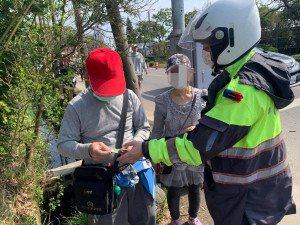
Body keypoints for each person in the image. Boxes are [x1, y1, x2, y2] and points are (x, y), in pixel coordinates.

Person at [118, 1, 296, 225]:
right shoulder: (251, 72)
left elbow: (196, 148)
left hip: (248, 201)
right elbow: (228, 131)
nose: (204, 51)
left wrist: (145, 149)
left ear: (229, 39)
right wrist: (204, 132)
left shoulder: (242, 90)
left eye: (208, 44)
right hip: (261, 190)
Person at [57, 48, 156, 225]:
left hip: (137, 173)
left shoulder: (129, 96)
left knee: (146, 218)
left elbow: (143, 127)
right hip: (101, 183)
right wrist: (88, 150)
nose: (110, 93)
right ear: (88, 76)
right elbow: (63, 144)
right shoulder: (77, 107)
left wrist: (138, 142)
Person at [152, 54, 207, 225]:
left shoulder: (203, 97)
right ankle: (175, 220)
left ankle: (193, 217)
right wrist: (154, 157)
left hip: (194, 153)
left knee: (195, 187)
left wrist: (197, 129)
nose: (177, 77)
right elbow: (156, 132)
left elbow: (211, 125)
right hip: (171, 154)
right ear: (168, 75)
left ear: (190, 73)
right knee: (173, 190)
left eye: (181, 72)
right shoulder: (162, 101)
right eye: (173, 72)